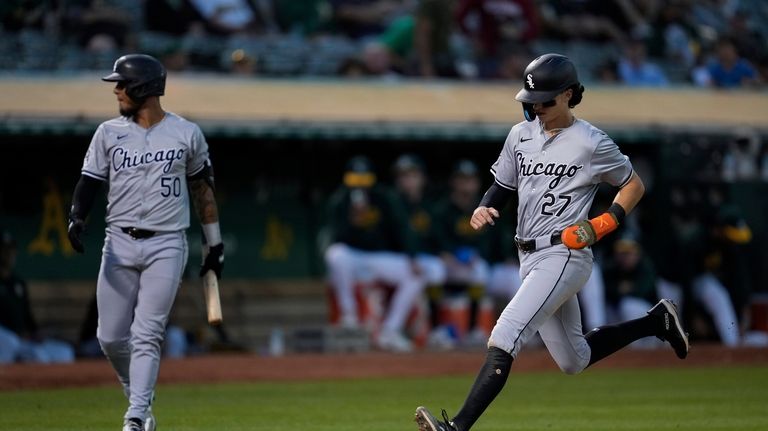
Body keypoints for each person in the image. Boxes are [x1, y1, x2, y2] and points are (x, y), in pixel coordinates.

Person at [414, 53, 689, 431]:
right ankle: (657, 321)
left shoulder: (591, 141)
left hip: (566, 252)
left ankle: (457, 427)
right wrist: (483, 207)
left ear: (568, 95)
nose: (535, 106)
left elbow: (633, 185)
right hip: (526, 251)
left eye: (543, 99)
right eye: (531, 100)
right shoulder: (520, 135)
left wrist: (604, 223)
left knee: (506, 333)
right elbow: (502, 185)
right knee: (573, 359)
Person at [67, 54, 224, 431]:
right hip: (118, 241)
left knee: (147, 333)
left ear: (144, 88)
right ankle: (139, 394)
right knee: (109, 337)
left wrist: (214, 246)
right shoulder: (108, 132)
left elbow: (203, 191)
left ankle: (136, 416)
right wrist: (77, 215)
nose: (117, 90)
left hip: (167, 244)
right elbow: (89, 181)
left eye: (122, 83)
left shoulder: (186, 133)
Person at [323, 155, 423, 352]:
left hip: (380, 257)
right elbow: (335, 237)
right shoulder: (340, 200)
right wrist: (354, 221)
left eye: (364, 180)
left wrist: (412, 257)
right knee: (335, 254)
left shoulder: (384, 198)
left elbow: (402, 228)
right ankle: (348, 315)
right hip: (353, 257)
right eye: (355, 180)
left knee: (416, 275)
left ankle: (390, 330)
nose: (360, 186)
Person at [432, 160, 494, 347]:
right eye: (462, 179)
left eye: (470, 180)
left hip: (471, 264)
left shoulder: (484, 207)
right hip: (447, 263)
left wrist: (477, 254)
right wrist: (447, 252)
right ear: (454, 182)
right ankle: (436, 329)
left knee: (480, 269)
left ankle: (473, 330)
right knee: (433, 270)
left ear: (476, 183)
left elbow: (490, 241)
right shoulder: (443, 208)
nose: (466, 184)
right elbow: (435, 238)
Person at [391, 154, 449, 347]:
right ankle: (399, 329)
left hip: (423, 259)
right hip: (397, 258)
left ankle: (434, 328)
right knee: (419, 274)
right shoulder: (392, 202)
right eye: (404, 176)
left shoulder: (429, 205)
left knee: (437, 269)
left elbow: (437, 238)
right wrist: (411, 257)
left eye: (413, 175)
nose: (409, 180)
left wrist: (444, 252)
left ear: (422, 178)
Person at [0, 229, 75, 364]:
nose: (8, 254)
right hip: (6, 339)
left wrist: (37, 333)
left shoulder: (18, 283)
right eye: (4, 250)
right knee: (34, 354)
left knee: (65, 352)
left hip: (23, 341)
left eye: (10, 250)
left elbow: (28, 320)